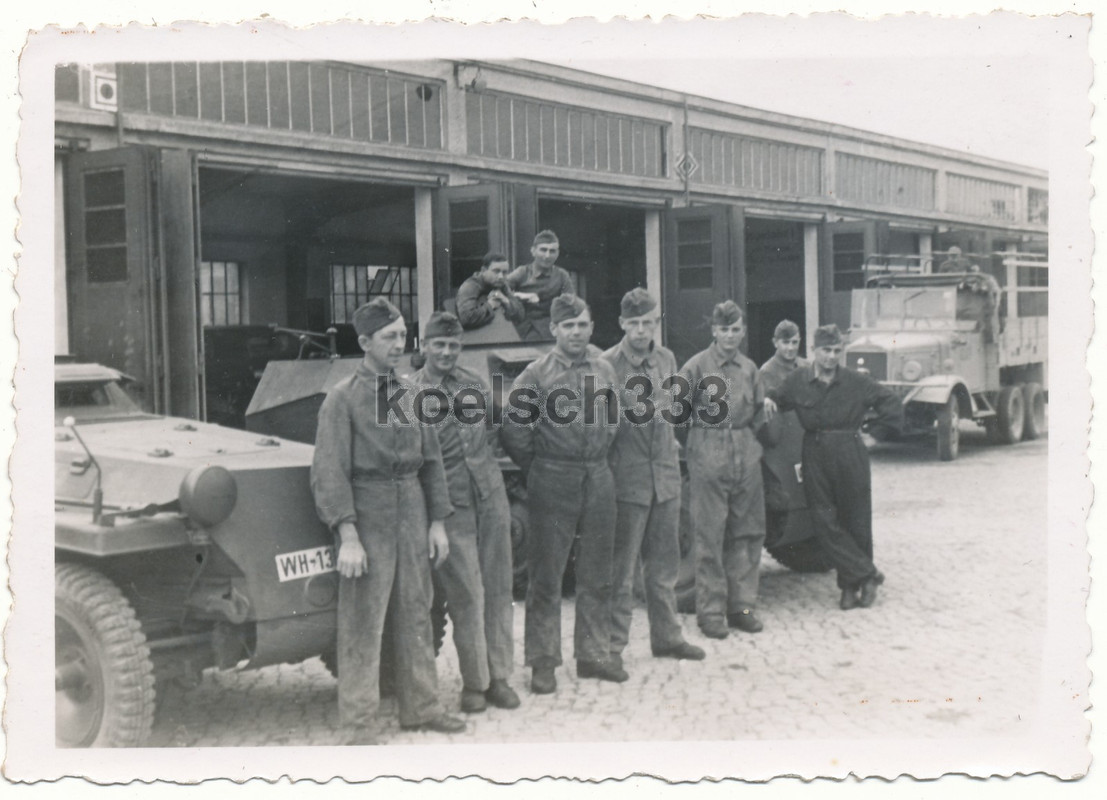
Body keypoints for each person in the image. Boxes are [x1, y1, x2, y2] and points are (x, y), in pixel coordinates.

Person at [310, 297, 465, 743]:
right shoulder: (342, 400)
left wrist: (437, 522)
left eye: (402, 335)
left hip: (412, 505)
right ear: (364, 342)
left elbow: (431, 462)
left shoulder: (412, 394)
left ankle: (421, 706)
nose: (400, 344)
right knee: (364, 619)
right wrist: (348, 534)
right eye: (389, 337)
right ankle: (359, 721)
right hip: (368, 508)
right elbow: (329, 471)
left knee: (418, 610)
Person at [501, 293, 623, 693]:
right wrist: (538, 468)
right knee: (547, 576)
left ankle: (593, 654)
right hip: (553, 476)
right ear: (553, 329)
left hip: (598, 475)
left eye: (582, 324)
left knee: (597, 573)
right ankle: (543, 662)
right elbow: (515, 429)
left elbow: (615, 417)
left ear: (591, 328)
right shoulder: (536, 375)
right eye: (567, 325)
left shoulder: (604, 369)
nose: (576, 332)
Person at [410, 311, 521, 714]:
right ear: (424, 346)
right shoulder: (410, 393)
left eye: (454, 345)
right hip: (449, 506)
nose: (446, 352)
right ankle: (475, 683)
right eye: (439, 344)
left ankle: (501, 677)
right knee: (466, 596)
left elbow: (495, 428)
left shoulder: (473, 384)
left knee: (498, 588)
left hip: (490, 499)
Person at [763, 324, 903, 611]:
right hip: (814, 451)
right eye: (826, 350)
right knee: (824, 522)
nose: (831, 356)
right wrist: (767, 399)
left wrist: (876, 433)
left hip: (849, 451)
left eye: (837, 351)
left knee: (856, 521)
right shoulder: (798, 380)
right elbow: (776, 397)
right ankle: (868, 573)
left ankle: (851, 587)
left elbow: (891, 403)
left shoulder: (855, 381)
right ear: (814, 351)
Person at [601, 288, 706, 665]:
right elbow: (602, 425)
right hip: (627, 478)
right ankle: (611, 646)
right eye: (635, 323)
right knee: (621, 569)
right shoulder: (607, 364)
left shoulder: (666, 358)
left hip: (664, 474)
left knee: (664, 567)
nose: (642, 330)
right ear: (622, 324)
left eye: (648, 322)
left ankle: (667, 637)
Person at [677, 300, 768, 641]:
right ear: (713, 331)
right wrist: (698, 446)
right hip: (709, 448)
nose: (730, 336)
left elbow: (759, 410)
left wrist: (749, 446)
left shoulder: (749, 368)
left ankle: (741, 607)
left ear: (743, 331)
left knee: (747, 532)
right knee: (710, 535)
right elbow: (675, 411)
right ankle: (712, 612)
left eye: (736, 329)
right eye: (724, 329)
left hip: (745, 452)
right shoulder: (696, 367)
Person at [759, 320, 809, 534]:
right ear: (775, 343)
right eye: (785, 342)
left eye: (794, 342)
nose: (790, 348)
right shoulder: (767, 372)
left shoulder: (807, 367)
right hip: (786, 440)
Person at [505, 230, 576, 341]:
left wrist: (539, 299)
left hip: (550, 331)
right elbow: (499, 290)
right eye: (543, 250)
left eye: (552, 251)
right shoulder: (522, 272)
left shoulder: (562, 275)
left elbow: (570, 303)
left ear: (557, 254)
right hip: (523, 330)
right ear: (533, 251)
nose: (547, 256)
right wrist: (520, 295)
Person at [455, 252, 526, 331]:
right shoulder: (470, 286)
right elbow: (467, 318)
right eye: (496, 271)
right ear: (483, 270)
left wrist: (505, 300)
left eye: (505, 272)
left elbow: (521, 315)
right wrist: (490, 305)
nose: (501, 276)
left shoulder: (501, 284)